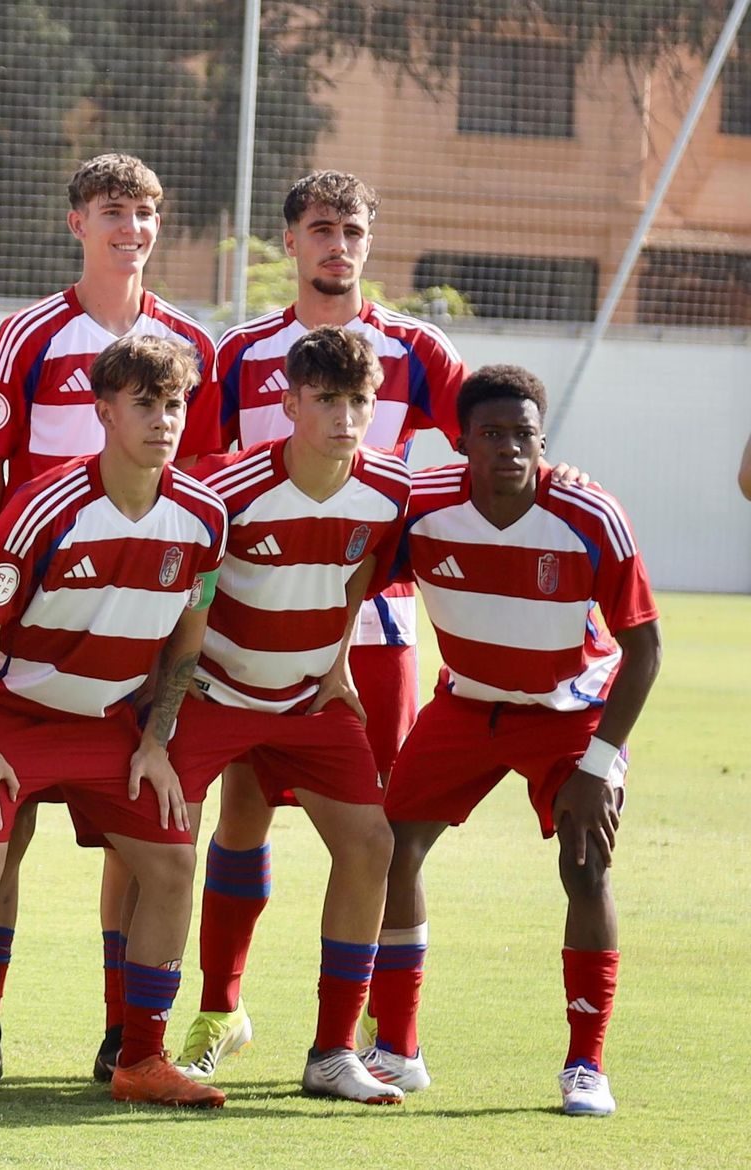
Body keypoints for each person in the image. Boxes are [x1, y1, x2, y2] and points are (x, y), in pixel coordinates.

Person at [170, 170, 468, 1078]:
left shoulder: (417, 348)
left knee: (391, 832)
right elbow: (201, 479)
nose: (337, 245)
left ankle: (390, 1031)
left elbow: (476, 464)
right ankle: (221, 1009)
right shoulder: (240, 351)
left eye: (353, 230)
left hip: (369, 633)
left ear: (370, 243)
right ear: (291, 241)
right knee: (245, 811)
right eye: (320, 228)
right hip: (251, 635)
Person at [0, 153, 221, 1081]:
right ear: (77, 221)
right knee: (1, 841)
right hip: (27, 622)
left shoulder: (191, 339)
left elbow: (200, 493)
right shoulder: (29, 333)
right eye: (114, 210)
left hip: (130, 635)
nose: (132, 228)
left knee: (148, 842)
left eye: (146, 212)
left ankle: (130, 1039)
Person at [365, 365, 661, 1118]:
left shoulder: (590, 513)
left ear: (543, 440)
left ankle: (586, 1065)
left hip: (571, 712)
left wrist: (598, 765)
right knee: (390, 848)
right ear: (461, 441)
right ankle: (398, 1048)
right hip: (466, 705)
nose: (508, 449)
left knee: (586, 864)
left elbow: (646, 648)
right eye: (491, 435)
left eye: (523, 434)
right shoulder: (422, 506)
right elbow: (351, 579)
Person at [176, 326, 412, 1104]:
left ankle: (335, 1051)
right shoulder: (231, 489)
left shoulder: (390, 491)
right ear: (290, 404)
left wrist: (338, 661)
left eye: (359, 401)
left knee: (370, 842)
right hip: (216, 696)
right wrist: (176, 689)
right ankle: (167, 1032)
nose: (346, 417)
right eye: (328, 400)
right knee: (158, 842)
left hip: (310, 701)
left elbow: (361, 575)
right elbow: (191, 591)